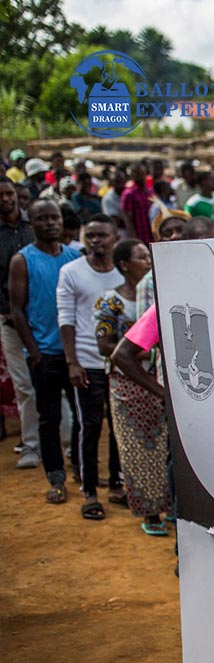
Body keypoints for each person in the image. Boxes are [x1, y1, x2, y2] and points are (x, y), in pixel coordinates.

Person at [8, 199, 81, 503]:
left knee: (81, 416)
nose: (51, 223)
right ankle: (55, 476)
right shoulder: (22, 260)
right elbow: (17, 309)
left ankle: (81, 468)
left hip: (75, 353)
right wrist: (33, 350)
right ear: (32, 223)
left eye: (55, 218)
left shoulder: (75, 257)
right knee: (48, 417)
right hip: (44, 352)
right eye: (43, 218)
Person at [96, 240, 172, 533]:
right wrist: (143, 349)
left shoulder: (154, 296)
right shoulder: (110, 301)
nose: (147, 261)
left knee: (161, 448)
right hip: (129, 384)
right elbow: (106, 346)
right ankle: (149, 514)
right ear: (124, 265)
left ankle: (167, 508)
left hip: (153, 378)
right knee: (138, 451)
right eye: (141, 257)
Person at [56, 214, 124, 519]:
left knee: (117, 426)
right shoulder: (71, 272)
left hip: (120, 362)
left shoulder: (124, 275)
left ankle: (115, 485)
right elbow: (66, 319)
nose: (95, 240)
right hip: (87, 360)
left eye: (102, 235)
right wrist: (72, 361)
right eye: (90, 235)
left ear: (114, 238)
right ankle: (90, 492)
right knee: (91, 425)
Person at [0, 176, 37, 468]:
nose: (6, 199)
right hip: (10, 320)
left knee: (53, 379)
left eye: (9, 193)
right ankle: (31, 445)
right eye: (0, 195)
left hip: (41, 319)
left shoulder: (33, 227)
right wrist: (8, 312)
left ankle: (61, 441)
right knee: (23, 384)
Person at [121, 162, 154, 244]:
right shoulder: (128, 194)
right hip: (139, 236)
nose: (141, 177)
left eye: (142, 174)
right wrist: (135, 240)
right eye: (137, 174)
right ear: (132, 176)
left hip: (152, 235)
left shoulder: (150, 191)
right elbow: (128, 219)